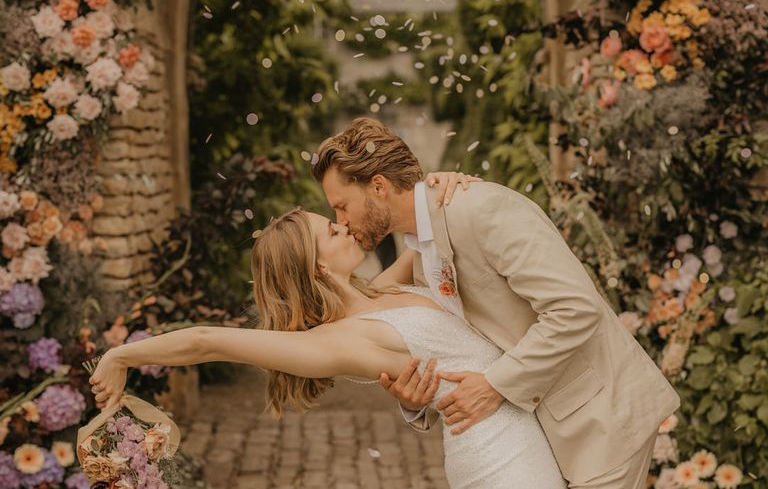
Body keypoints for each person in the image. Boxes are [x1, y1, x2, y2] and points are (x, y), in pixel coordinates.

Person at [89, 176, 567, 488]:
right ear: (317, 265)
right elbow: (205, 340)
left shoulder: (380, 291)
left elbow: (429, 231)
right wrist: (121, 357)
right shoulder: (336, 342)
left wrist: (445, 183)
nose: (344, 225)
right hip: (500, 461)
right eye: (331, 229)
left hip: (525, 431)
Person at [310, 117, 680, 489]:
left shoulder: (482, 209)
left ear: (378, 186)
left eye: (342, 206)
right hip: (541, 438)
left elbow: (575, 309)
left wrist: (495, 385)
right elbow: (467, 343)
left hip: (599, 423)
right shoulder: (421, 252)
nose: (340, 220)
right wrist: (415, 398)